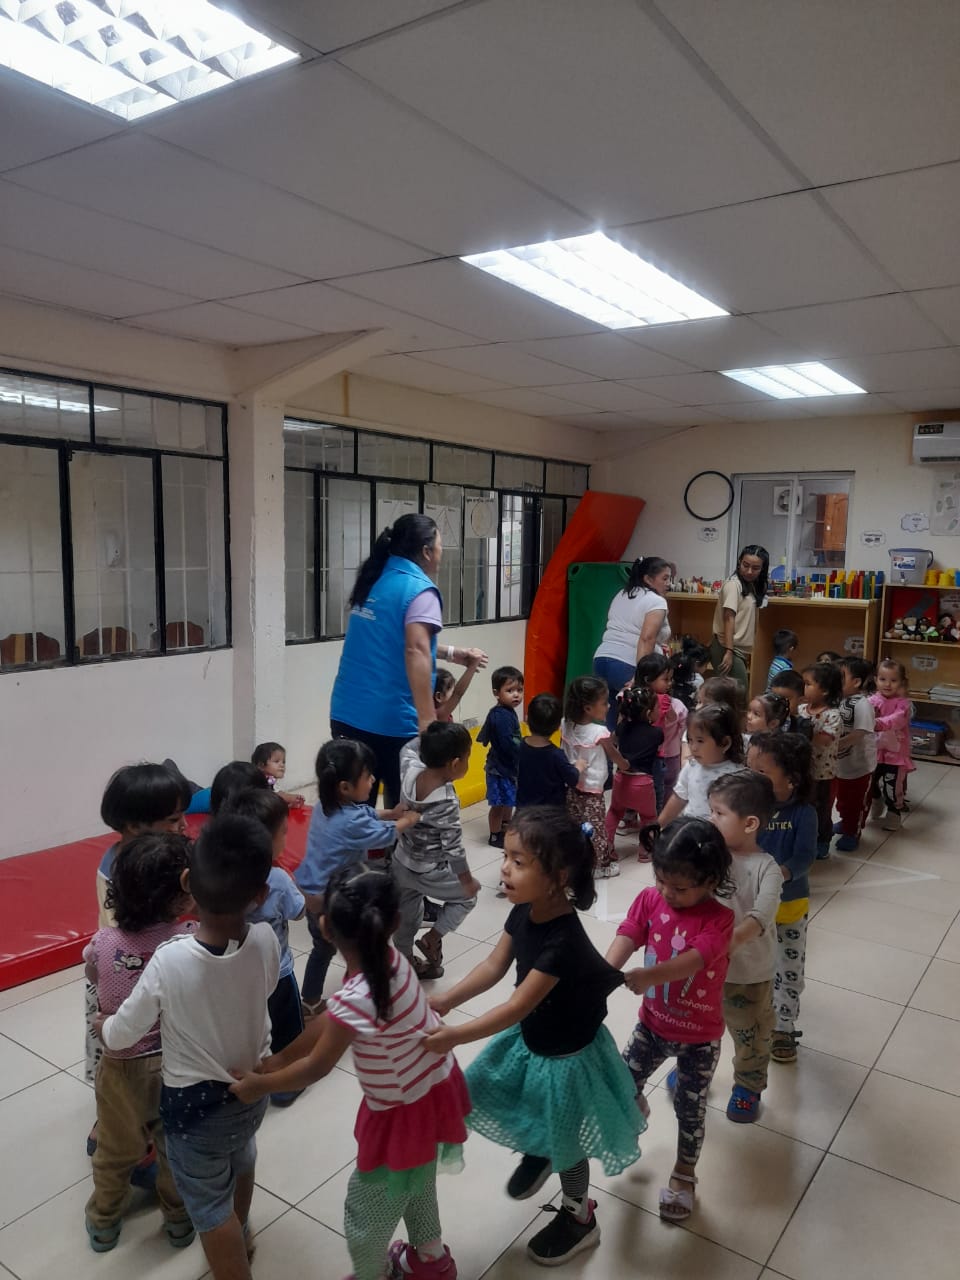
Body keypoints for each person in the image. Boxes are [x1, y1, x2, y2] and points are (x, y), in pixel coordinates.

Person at [424, 808, 642, 1266]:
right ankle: (541, 1147)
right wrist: (447, 1000)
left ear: (558, 877)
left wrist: (455, 1036)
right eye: (506, 856)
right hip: (535, 1041)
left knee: (568, 1145)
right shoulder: (524, 910)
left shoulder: (562, 940)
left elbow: (516, 1006)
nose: (504, 868)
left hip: (568, 1058)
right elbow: (493, 966)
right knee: (495, 1091)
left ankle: (580, 1216)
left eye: (519, 861)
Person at [231, 865, 468, 1280]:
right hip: (434, 1093)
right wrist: (280, 1058)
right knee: (417, 1181)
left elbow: (318, 1065)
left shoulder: (358, 995)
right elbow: (333, 1019)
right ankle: (431, 1260)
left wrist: (260, 1085)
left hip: (400, 1116)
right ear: (395, 922)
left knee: (366, 1213)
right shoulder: (392, 961)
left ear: (325, 928)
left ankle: (372, 1273)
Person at [96, 815, 280, 1280]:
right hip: (252, 1090)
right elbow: (267, 988)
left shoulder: (170, 959)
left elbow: (125, 1032)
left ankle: (231, 1257)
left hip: (195, 1111)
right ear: (261, 894)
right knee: (243, 1159)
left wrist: (104, 1028)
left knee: (209, 1208)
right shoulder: (264, 939)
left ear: (186, 883)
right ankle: (242, 1230)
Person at [606, 817, 735, 1223]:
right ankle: (637, 1104)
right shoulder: (650, 900)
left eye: (679, 888)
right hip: (652, 1025)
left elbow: (695, 960)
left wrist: (649, 977)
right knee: (621, 1084)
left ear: (710, 881)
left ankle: (684, 1173)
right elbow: (629, 933)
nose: (667, 893)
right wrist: (604, 973)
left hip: (700, 1038)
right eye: (661, 881)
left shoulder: (720, 920)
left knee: (690, 1111)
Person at [83, 832, 195, 1253]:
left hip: (121, 1063)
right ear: (181, 895)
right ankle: (178, 1219)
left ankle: (104, 1221)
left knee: (115, 1151)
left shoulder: (104, 941)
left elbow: (93, 975)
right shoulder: (189, 936)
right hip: (176, 1062)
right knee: (174, 1148)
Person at [330, 512, 487, 807]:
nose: (441, 554)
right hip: (390, 724)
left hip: (346, 715)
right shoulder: (419, 589)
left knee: (354, 815)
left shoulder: (375, 578)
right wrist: (427, 722)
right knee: (404, 811)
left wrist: (451, 653)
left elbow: (393, 640)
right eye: (440, 547)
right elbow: (416, 650)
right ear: (426, 552)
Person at [86, 763, 190, 1163]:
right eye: (173, 819)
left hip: (144, 971)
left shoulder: (150, 857)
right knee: (117, 1056)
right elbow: (125, 942)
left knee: (144, 1060)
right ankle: (113, 1123)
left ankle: (142, 1114)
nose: (183, 826)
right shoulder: (124, 872)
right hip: (121, 977)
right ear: (133, 825)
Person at [297, 739, 420, 1017]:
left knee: (323, 948)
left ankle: (312, 998)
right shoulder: (350, 822)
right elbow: (385, 834)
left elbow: (366, 814)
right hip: (326, 898)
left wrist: (390, 813)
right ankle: (348, 995)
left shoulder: (326, 806)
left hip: (310, 887)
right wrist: (408, 820)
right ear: (344, 787)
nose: (373, 779)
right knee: (343, 946)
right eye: (367, 776)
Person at [222, 788, 306, 1105]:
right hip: (278, 972)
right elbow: (299, 911)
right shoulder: (277, 879)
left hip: (235, 972)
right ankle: (286, 1085)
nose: (287, 836)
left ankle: (244, 1073)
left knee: (250, 1026)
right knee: (287, 1029)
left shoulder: (223, 875)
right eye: (284, 832)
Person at [706, 771, 781, 1123]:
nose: (710, 819)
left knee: (750, 1034)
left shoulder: (767, 869)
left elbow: (759, 917)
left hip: (748, 975)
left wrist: (727, 943)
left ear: (750, 823)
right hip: (706, 967)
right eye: (711, 811)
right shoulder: (711, 855)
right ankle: (696, 1070)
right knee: (700, 1027)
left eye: (719, 813)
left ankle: (748, 1086)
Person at [747, 732, 817, 1065]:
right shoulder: (749, 807)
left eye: (762, 772)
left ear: (791, 779)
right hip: (750, 907)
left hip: (788, 907)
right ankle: (750, 1014)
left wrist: (779, 875)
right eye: (750, 768)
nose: (753, 777)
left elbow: (804, 857)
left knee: (788, 970)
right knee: (751, 965)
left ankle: (784, 1028)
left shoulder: (804, 813)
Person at [393, 723, 480, 981]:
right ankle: (433, 937)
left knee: (407, 913)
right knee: (467, 898)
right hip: (429, 870)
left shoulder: (410, 769)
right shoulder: (446, 801)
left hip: (400, 861)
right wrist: (466, 880)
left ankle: (405, 960)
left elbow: (407, 748)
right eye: (467, 758)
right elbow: (453, 848)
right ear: (455, 763)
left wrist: (429, 735)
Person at [593, 556, 674, 730]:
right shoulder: (656, 601)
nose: (669, 583)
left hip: (602, 659)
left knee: (612, 718)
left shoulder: (622, 593)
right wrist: (638, 676)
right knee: (639, 718)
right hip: (626, 663)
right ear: (648, 579)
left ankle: (612, 747)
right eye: (665, 578)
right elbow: (647, 638)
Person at [561, 676, 629, 876]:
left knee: (575, 825)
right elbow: (613, 754)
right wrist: (625, 765)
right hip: (592, 790)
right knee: (597, 828)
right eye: (604, 703)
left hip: (571, 785)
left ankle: (575, 860)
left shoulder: (566, 724)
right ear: (588, 708)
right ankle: (601, 866)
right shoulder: (599, 732)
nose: (608, 706)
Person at [656, 704, 744, 825]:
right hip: (689, 830)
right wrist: (658, 826)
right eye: (690, 740)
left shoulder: (737, 775)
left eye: (700, 741)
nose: (693, 747)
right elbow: (678, 798)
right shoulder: (691, 767)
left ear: (724, 743)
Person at [605, 686, 662, 857]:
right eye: (658, 708)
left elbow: (614, 739)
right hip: (643, 783)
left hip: (621, 779)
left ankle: (607, 846)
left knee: (614, 811)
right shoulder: (657, 733)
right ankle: (645, 851)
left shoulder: (623, 727)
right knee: (648, 817)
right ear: (649, 713)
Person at [477, 665, 524, 848]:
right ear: (496, 693)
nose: (516, 695)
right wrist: (524, 753)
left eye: (519, 690)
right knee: (498, 804)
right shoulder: (501, 716)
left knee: (508, 800)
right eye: (510, 690)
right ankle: (495, 835)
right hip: (499, 769)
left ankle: (505, 827)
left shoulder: (507, 711)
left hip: (508, 767)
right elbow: (507, 745)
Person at [799, 662, 843, 859]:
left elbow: (821, 740)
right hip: (801, 771)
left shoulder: (832, 716)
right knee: (803, 805)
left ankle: (823, 839)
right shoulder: (800, 709)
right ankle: (804, 837)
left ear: (824, 690)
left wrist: (802, 730)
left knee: (821, 808)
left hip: (822, 773)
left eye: (808, 684)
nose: (803, 687)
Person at [711, 545, 769, 692]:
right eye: (745, 565)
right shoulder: (733, 585)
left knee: (733, 696)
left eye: (755, 568)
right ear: (739, 562)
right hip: (727, 647)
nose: (749, 571)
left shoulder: (750, 585)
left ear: (762, 569)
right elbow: (728, 618)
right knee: (738, 696)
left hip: (737, 649)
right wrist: (729, 651)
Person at [833, 658, 878, 851]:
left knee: (857, 802)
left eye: (841, 677)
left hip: (860, 766)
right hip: (840, 764)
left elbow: (860, 732)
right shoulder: (837, 700)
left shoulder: (862, 704)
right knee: (842, 799)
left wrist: (837, 745)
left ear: (857, 682)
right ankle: (845, 821)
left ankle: (853, 832)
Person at [869, 658, 915, 831]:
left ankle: (893, 814)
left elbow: (897, 719)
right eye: (883, 679)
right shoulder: (871, 701)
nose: (887, 684)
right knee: (869, 783)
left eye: (893, 680)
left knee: (892, 787)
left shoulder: (903, 704)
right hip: (873, 752)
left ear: (901, 682)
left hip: (895, 755)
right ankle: (876, 800)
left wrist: (878, 723)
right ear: (876, 680)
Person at [516, 692, 583, 810]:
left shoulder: (518, 747)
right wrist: (578, 767)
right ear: (558, 727)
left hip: (523, 811)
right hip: (550, 814)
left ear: (526, 719)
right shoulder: (556, 755)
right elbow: (572, 779)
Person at [433, 650, 484, 722]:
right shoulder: (438, 715)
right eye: (452, 690)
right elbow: (458, 693)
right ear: (439, 696)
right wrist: (472, 666)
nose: (455, 691)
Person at [250, 741, 304, 808]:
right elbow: (271, 796)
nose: (282, 765)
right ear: (261, 766)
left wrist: (289, 804)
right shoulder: (260, 782)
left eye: (283, 762)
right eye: (276, 761)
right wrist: (288, 797)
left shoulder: (272, 780)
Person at [769, 669, 813, 739]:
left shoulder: (803, 725)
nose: (777, 703)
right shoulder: (767, 718)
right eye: (774, 698)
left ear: (801, 701)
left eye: (784, 699)